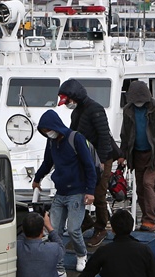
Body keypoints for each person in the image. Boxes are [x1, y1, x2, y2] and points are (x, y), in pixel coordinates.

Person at [32, 110, 98, 272]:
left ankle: (82, 255)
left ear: (55, 126)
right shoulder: (51, 142)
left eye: (49, 130)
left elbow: (89, 166)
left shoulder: (76, 138)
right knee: (55, 230)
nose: (48, 134)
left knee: (73, 229)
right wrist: (37, 179)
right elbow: (47, 163)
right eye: (45, 132)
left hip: (77, 192)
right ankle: (58, 265)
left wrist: (90, 191)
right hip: (60, 192)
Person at [58, 79, 116, 247]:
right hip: (86, 157)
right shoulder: (77, 112)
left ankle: (101, 228)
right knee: (78, 191)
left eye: (67, 101)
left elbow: (104, 136)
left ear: (74, 96)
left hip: (102, 158)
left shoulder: (95, 109)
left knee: (98, 194)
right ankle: (86, 222)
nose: (67, 104)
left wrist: (104, 161)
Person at [119, 81, 155, 231]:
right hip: (136, 154)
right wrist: (123, 154)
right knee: (140, 187)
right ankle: (146, 218)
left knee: (148, 184)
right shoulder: (128, 109)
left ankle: (150, 220)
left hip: (154, 154)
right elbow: (125, 134)